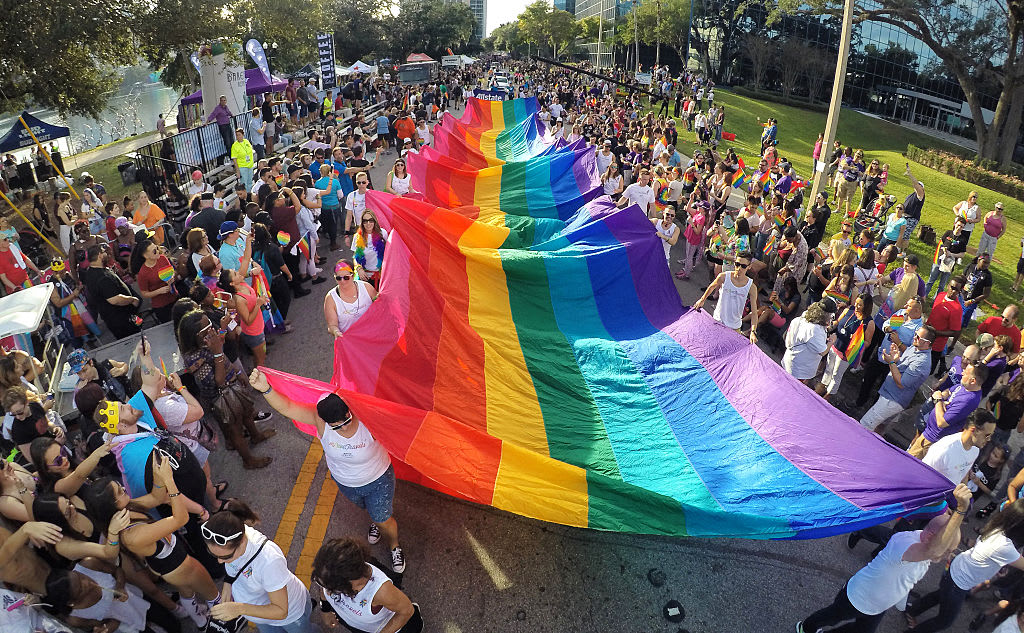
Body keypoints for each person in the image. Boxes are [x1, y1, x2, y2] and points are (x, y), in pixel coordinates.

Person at [248, 370, 406, 573]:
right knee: (371, 511)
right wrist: (266, 389)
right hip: (346, 483)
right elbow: (287, 407)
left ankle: (394, 545)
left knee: (383, 519)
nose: (344, 428)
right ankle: (376, 519)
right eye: (337, 426)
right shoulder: (320, 419)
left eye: (347, 421)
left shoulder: (367, 418)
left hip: (378, 479)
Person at [796, 484, 973, 633]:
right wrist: (960, 511)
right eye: (947, 549)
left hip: (876, 606)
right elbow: (935, 550)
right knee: (831, 616)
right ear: (930, 538)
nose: (947, 555)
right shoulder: (906, 545)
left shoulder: (923, 550)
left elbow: (906, 580)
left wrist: (901, 602)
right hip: (857, 598)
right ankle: (805, 628)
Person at [85, 466, 218, 628]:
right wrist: (169, 481)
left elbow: (156, 497)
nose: (123, 488)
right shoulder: (131, 535)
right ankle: (225, 619)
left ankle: (202, 622)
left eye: (118, 486)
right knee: (211, 592)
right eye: (119, 492)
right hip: (176, 565)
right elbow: (180, 518)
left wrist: (158, 473)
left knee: (187, 593)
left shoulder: (127, 507)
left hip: (171, 563)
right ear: (110, 507)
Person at [905, 499, 1024, 632]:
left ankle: (912, 610)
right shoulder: (1006, 547)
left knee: (940, 594)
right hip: (959, 582)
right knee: (944, 621)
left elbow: (990, 555)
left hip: (957, 569)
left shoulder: (999, 526)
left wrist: (996, 568)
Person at [176, 310, 273, 469]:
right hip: (221, 398)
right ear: (197, 335)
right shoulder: (193, 358)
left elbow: (222, 342)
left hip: (234, 386)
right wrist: (217, 353)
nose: (211, 329)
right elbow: (218, 382)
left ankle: (256, 436)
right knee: (235, 430)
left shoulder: (210, 340)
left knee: (247, 414)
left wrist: (238, 372)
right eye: (207, 327)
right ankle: (248, 460)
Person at [202, 502, 314, 633]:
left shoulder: (269, 561)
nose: (220, 561)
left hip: (291, 617)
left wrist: (239, 609)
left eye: (226, 557)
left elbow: (281, 611)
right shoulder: (233, 533)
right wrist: (228, 582)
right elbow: (234, 566)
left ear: (242, 541)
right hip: (259, 616)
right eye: (213, 554)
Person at [312, 538, 422, 633]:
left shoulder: (381, 591)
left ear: (353, 580)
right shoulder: (328, 574)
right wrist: (325, 608)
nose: (328, 592)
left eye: (333, 589)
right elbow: (324, 587)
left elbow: (406, 611)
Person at [908, 360, 987, 459]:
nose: (962, 373)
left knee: (908, 462)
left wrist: (938, 400)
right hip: (928, 431)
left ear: (973, 381)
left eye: (965, 372)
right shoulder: (965, 386)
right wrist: (942, 401)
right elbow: (948, 391)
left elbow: (942, 422)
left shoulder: (968, 401)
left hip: (931, 440)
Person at [817, 294, 875, 401]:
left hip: (846, 354)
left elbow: (868, 342)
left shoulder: (869, 323)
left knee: (836, 374)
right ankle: (822, 385)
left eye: (860, 305)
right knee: (829, 368)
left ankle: (828, 395)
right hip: (835, 346)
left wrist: (858, 341)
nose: (856, 307)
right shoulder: (849, 309)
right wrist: (828, 326)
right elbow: (837, 322)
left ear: (866, 307)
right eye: (856, 303)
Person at [692, 252, 759, 344]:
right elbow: (712, 286)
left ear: (749, 266)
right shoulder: (724, 276)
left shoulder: (751, 287)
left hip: (734, 328)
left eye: (743, 266)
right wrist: (702, 300)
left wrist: (753, 331)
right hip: (717, 321)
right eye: (737, 264)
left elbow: (754, 313)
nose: (739, 268)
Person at [81, 244, 141, 340]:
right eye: (104, 252)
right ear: (99, 255)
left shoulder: (91, 272)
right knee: (135, 341)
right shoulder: (101, 277)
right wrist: (132, 299)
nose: (107, 254)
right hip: (121, 320)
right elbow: (114, 299)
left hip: (120, 316)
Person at [923, 410, 997, 485]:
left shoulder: (975, 449)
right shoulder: (944, 450)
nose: (989, 439)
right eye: (987, 435)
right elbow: (922, 474)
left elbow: (963, 473)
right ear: (974, 430)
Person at [218, 268, 267, 367]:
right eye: (235, 274)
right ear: (232, 283)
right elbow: (248, 320)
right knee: (260, 361)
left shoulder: (242, 284)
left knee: (260, 357)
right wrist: (258, 305)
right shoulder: (239, 299)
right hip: (254, 333)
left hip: (258, 327)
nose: (239, 273)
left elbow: (245, 259)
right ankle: (258, 379)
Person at [782, 299, 836, 385]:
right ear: (825, 315)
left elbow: (807, 338)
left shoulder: (804, 316)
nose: (831, 318)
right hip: (798, 369)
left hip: (789, 360)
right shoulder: (815, 329)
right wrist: (831, 341)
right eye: (831, 315)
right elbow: (822, 352)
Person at [324, 261, 378, 338]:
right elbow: (332, 325)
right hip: (352, 342)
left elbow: (380, 306)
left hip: (373, 334)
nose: (342, 281)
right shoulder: (331, 298)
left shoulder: (366, 287)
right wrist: (335, 331)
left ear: (353, 276)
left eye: (346, 277)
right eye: (338, 278)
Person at [928, 277, 964, 375]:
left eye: (956, 289)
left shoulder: (957, 309)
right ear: (948, 285)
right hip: (925, 337)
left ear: (959, 291)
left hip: (936, 345)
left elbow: (955, 332)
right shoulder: (940, 295)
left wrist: (936, 333)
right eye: (952, 287)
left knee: (928, 370)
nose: (953, 291)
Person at [134, 241, 177, 323]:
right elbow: (144, 293)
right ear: (146, 256)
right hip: (161, 306)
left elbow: (172, 271)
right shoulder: (143, 273)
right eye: (154, 251)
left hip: (174, 296)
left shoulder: (162, 258)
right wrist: (159, 291)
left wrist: (172, 277)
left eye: (157, 248)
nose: (158, 251)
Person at [353, 211, 388, 289]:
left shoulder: (383, 233)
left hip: (381, 276)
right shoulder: (357, 237)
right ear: (362, 223)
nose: (368, 223)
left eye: (371, 220)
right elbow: (355, 256)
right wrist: (359, 268)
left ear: (374, 221)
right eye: (365, 221)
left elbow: (389, 252)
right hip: (365, 277)